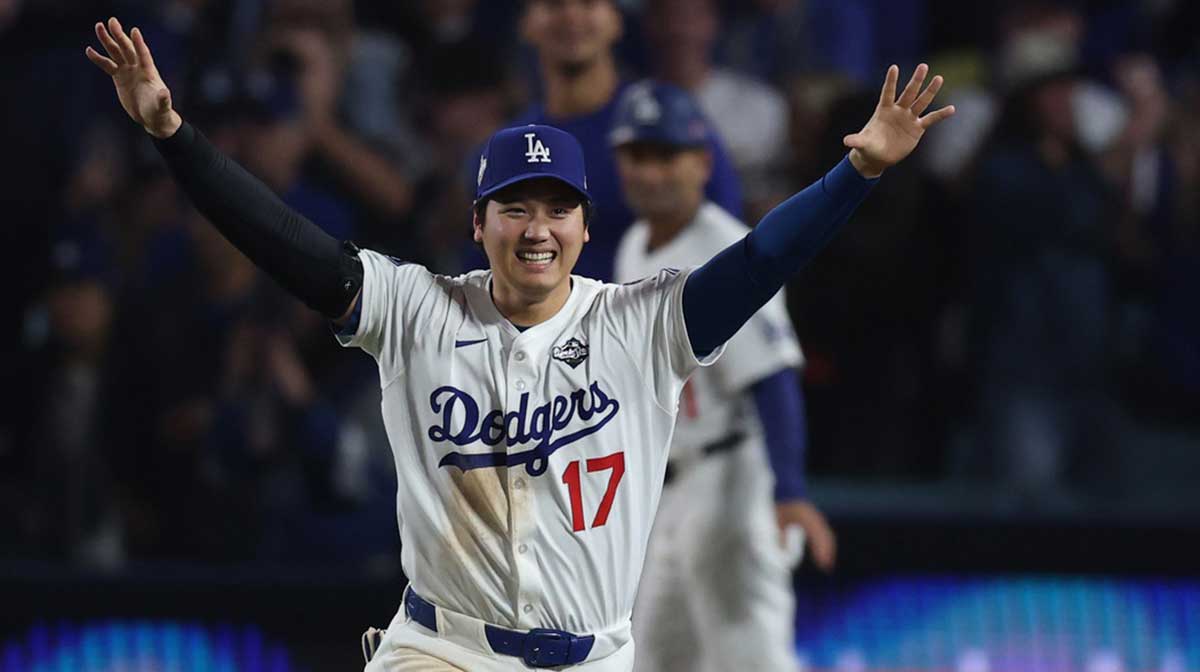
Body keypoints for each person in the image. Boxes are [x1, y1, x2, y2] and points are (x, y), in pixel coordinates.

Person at [87, 15, 952, 671]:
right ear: (478, 223)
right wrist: (174, 137)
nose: (538, 229)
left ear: (585, 227)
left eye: (557, 208)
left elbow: (762, 259)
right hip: (445, 651)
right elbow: (284, 242)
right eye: (515, 208)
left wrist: (858, 172)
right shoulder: (415, 310)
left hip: (595, 656)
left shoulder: (639, 325)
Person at [610, 82, 834, 672]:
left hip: (732, 480)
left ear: (702, 163)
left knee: (749, 658)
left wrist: (789, 490)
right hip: (670, 490)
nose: (650, 172)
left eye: (667, 155)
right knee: (651, 659)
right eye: (637, 155)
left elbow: (773, 376)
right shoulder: (634, 246)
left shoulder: (727, 250)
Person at [508, 0, 743, 281]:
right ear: (526, 22)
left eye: (588, 3)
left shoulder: (669, 121)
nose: (571, 15)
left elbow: (725, 241)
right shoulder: (508, 149)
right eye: (554, 4)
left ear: (616, 19)